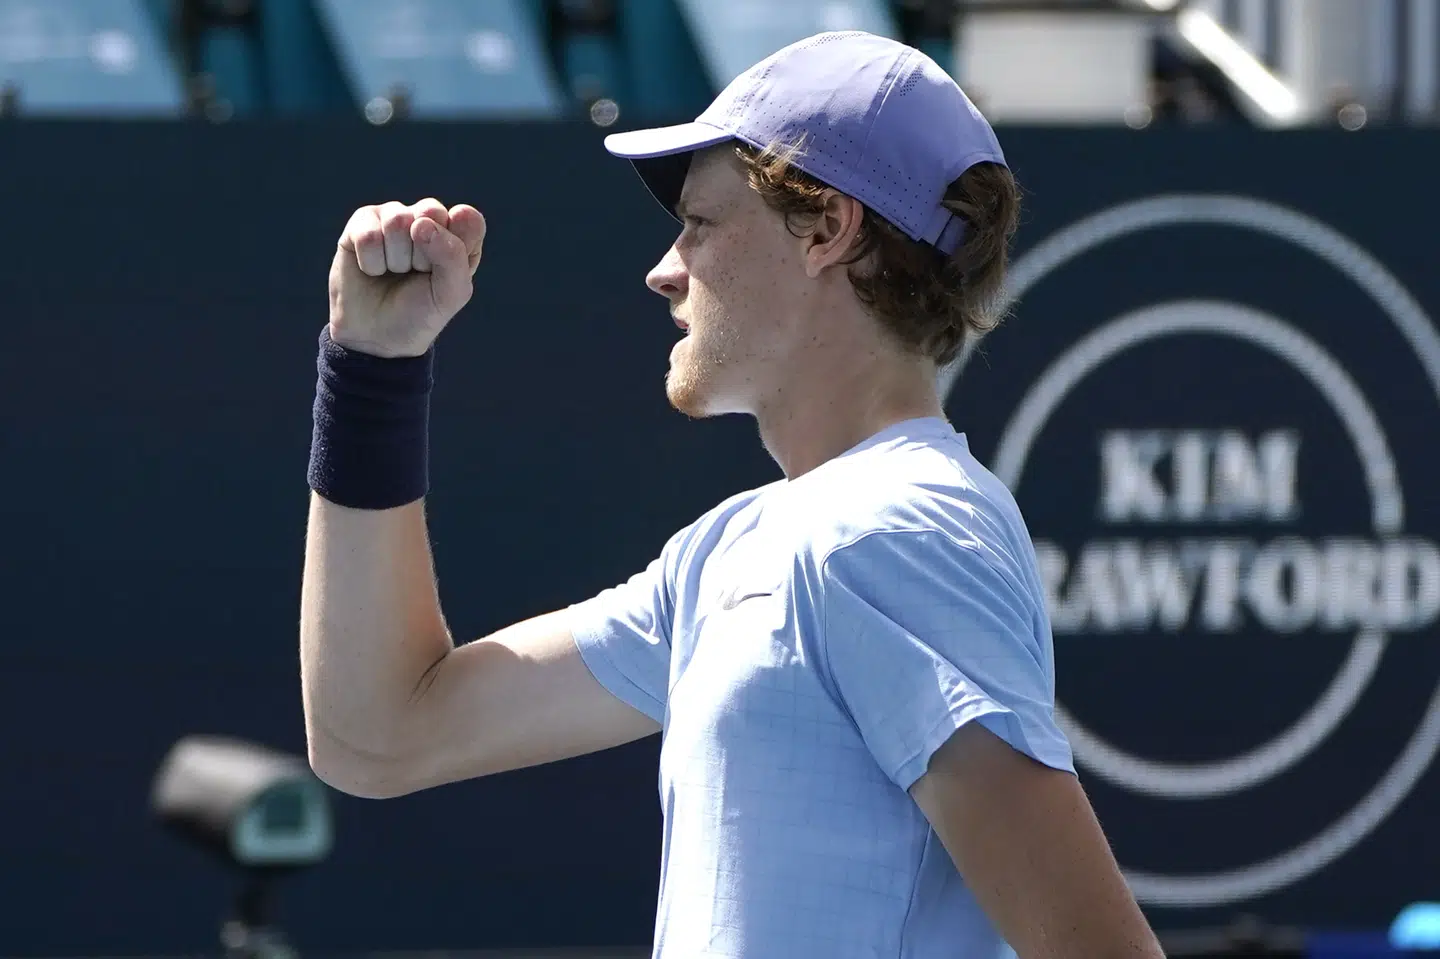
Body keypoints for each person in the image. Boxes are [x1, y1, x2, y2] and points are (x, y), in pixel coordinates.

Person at [300, 30, 1165, 959]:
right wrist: (373, 367)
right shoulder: (737, 551)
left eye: (701, 225)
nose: (665, 268)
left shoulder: (892, 533)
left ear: (828, 229)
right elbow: (377, 735)